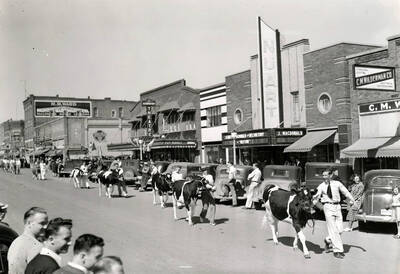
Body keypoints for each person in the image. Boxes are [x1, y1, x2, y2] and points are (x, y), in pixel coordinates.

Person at [313, 169, 355, 259]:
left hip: (337, 207)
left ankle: (328, 240)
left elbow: (346, 192)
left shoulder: (337, 184)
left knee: (340, 230)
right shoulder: (321, 186)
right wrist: (315, 206)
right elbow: (315, 198)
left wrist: (352, 200)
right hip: (328, 207)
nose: (324, 177)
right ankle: (338, 250)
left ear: (330, 175)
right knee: (333, 230)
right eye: (323, 175)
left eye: (326, 175)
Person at [7, 207, 48, 274]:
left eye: (46, 223)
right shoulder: (35, 246)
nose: (46, 227)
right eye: (42, 223)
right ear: (29, 223)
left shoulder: (16, 242)